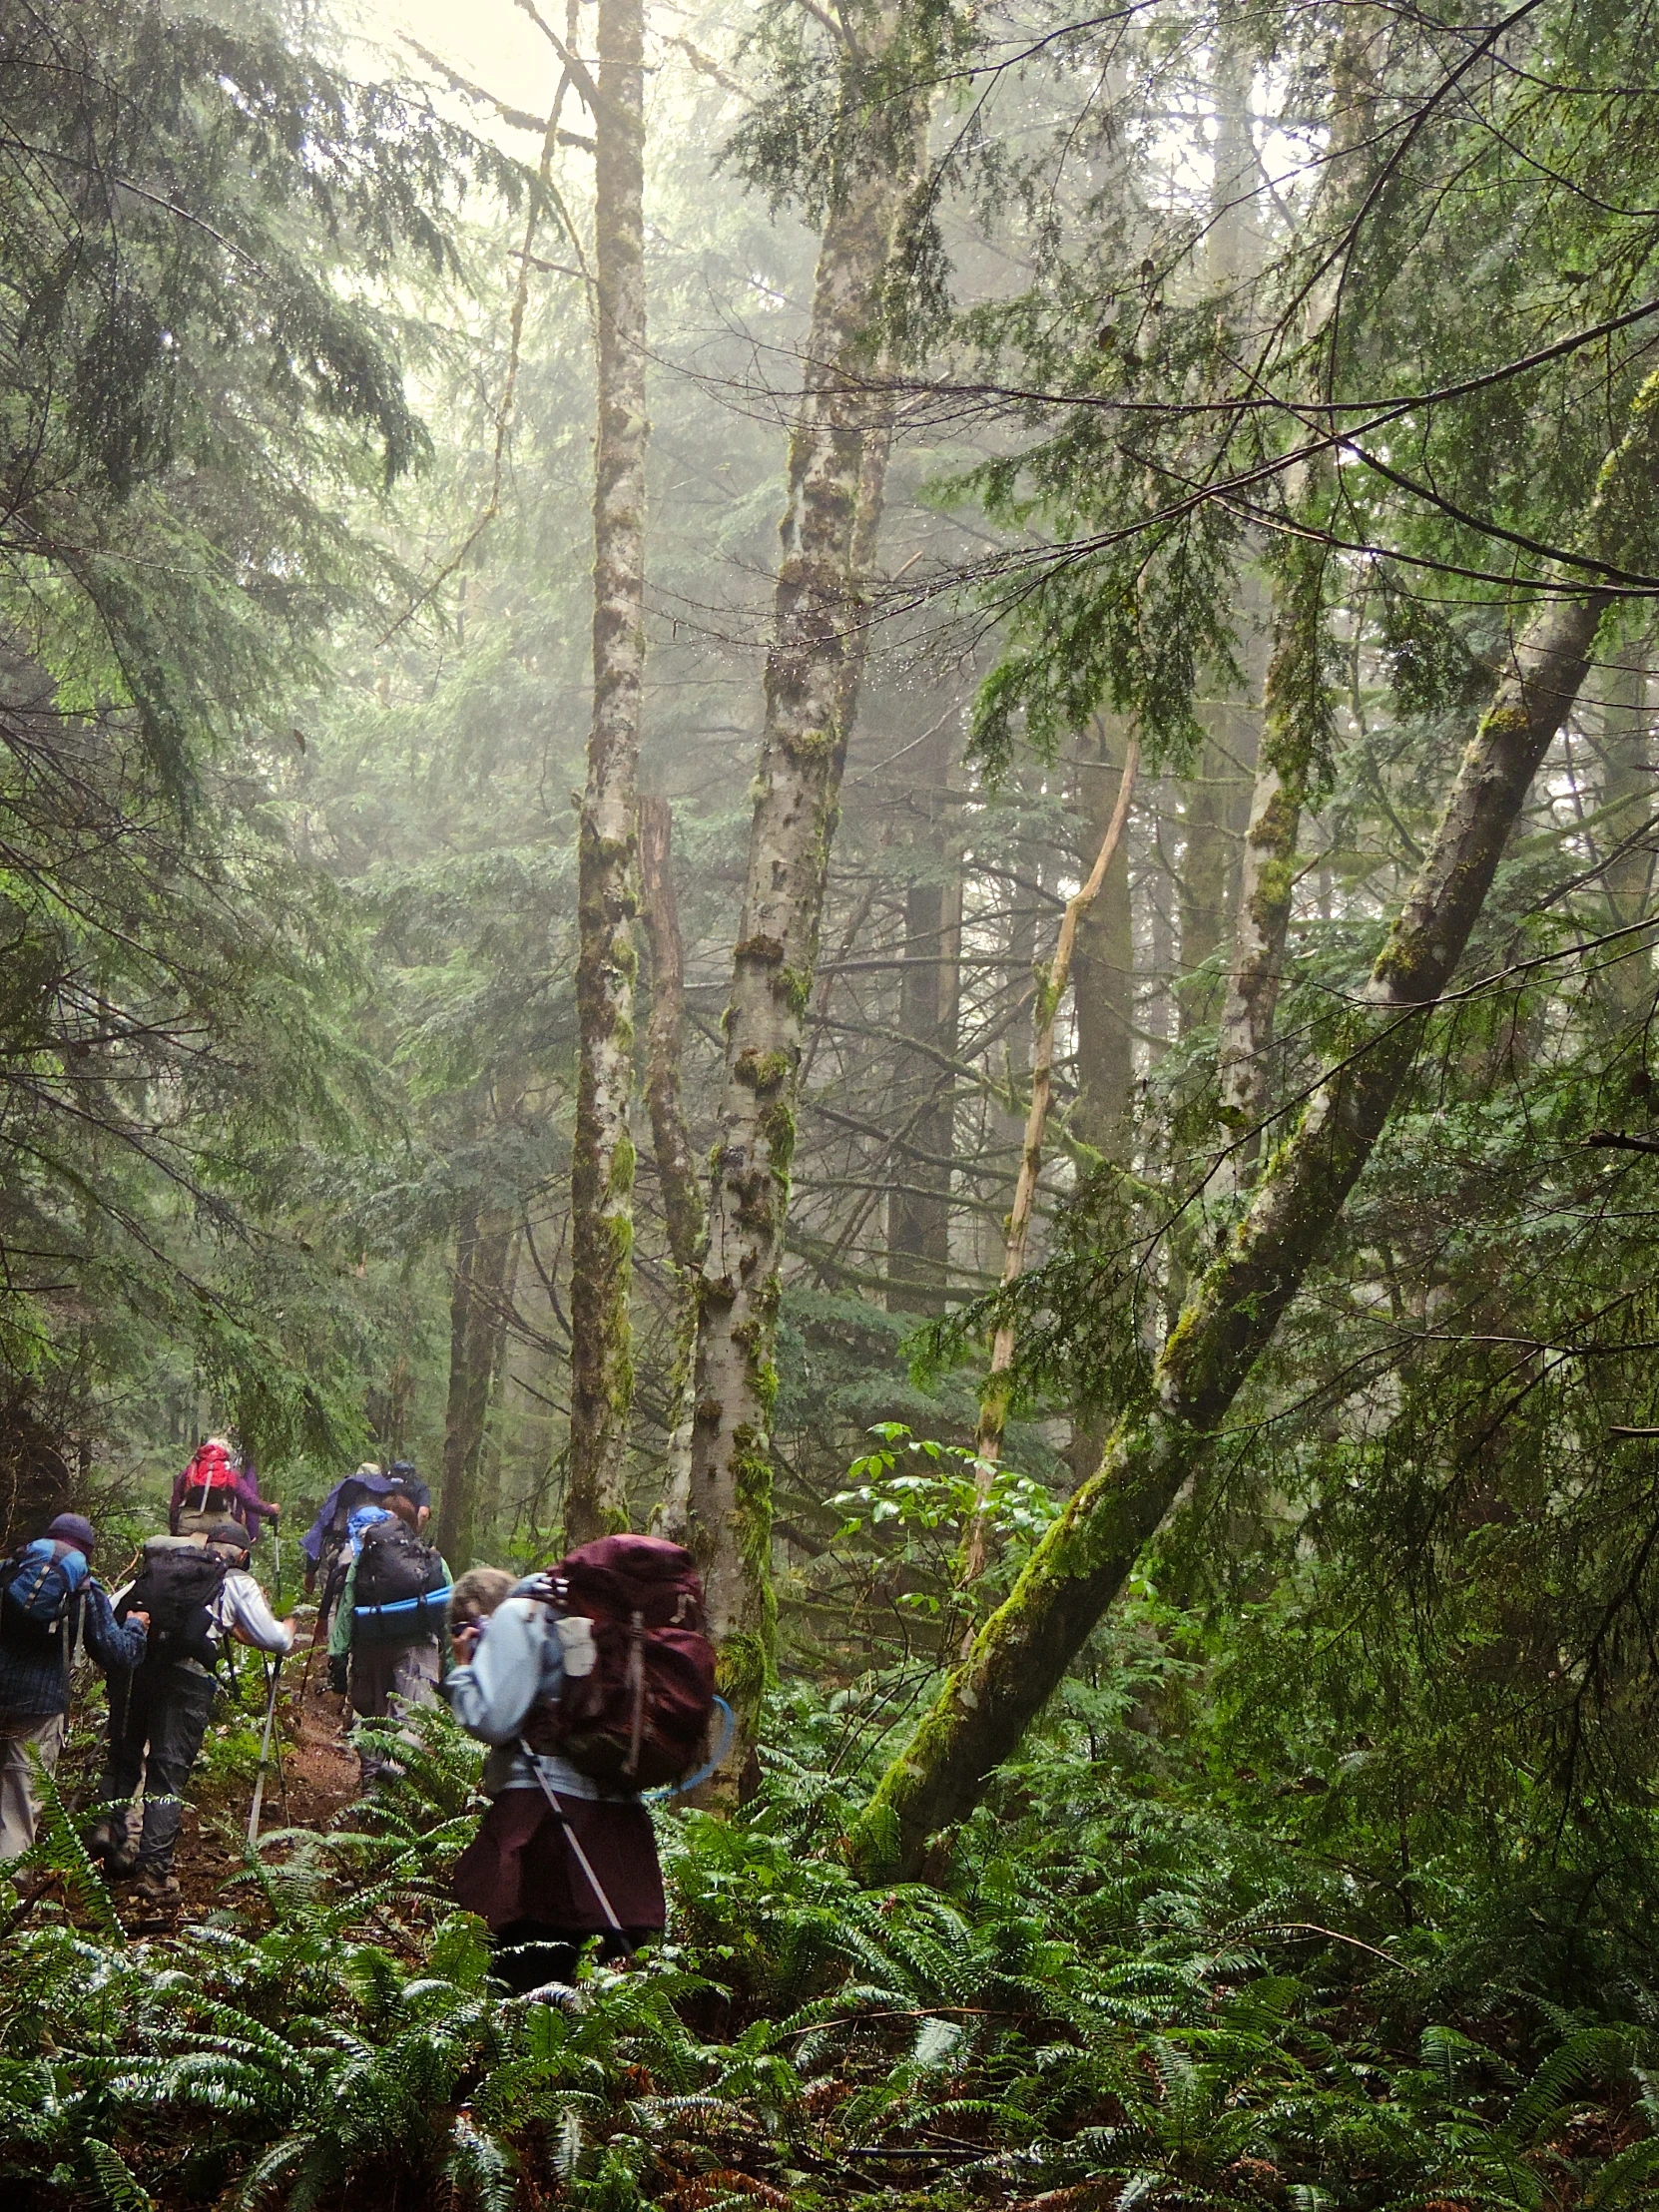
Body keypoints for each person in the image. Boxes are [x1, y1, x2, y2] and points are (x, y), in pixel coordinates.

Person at [445, 1570, 666, 1996]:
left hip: (543, 1813)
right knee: (582, 1971)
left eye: (464, 1626)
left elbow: (492, 1720)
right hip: (614, 1818)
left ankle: (520, 2053)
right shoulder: (580, 1617)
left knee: (523, 1964)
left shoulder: (520, 1615)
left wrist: (465, 1670)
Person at [93, 1518, 293, 1915]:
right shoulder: (233, 1580)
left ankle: (108, 1832)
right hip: (186, 1678)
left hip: (136, 1667)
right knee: (167, 1773)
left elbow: (113, 1608)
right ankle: (153, 1874)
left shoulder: (162, 1568)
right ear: (244, 1555)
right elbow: (274, 1640)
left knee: (124, 1755)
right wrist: (287, 1630)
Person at [0, 1513, 148, 1863]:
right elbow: (118, 1655)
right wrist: (135, 1627)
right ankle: (7, 1893)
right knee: (20, 1801)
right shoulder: (84, 1588)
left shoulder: (11, 1567)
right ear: (88, 1552)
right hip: (39, 1706)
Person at [328, 1493, 451, 1786]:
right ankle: (395, 1772)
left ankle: (371, 1787)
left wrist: (338, 1655)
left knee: (373, 1715)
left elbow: (347, 1604)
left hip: (369, 1643)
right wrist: (452, 1665)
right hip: (417, 1644)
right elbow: (449, 1611)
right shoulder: (432, 1558)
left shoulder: (365, 1557)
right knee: (413, 1716)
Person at [169, 1436, 280, 1542]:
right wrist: (270, 1509)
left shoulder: (191, 1470)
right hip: (220, 1526)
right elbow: (249, 1500)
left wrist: (174, 1529)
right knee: (239, 1546)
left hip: (188, 1523)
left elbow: (175, 1502)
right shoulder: (229, 1473)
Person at [387, 1460, 431, 1530]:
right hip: (409, 1531)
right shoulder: (421, 1488)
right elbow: (424, 1514)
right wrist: (416, 1532)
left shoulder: (384, 1485)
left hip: (385, 1529)